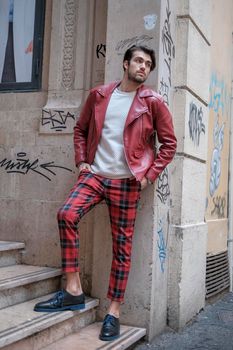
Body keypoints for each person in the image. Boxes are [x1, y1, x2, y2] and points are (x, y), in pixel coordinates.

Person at [34, 45, 177, 341]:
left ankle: (113, 312)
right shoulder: (99, 95)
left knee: (121, 249)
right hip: (95, 176)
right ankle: (73, 289)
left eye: (148, 64)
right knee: (66, 214)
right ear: (125, 64)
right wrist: (82, 162)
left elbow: (169, 143)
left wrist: (149, 176)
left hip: (127, 182)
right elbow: (80, 130)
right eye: (138, 61)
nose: (143, 67)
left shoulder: (153, 102)